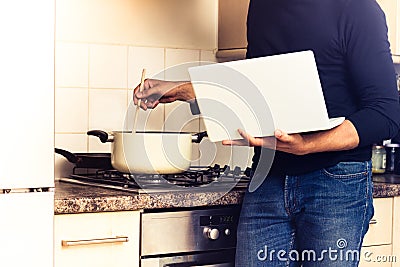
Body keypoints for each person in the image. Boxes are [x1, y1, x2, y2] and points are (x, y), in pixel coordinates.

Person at [134, 0, 400, 266]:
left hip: (336, 181)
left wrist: (308, 145)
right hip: (268, 178)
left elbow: (386, 113)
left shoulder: (357, 8)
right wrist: (183, 89)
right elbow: (259, 86)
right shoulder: (261, 6)